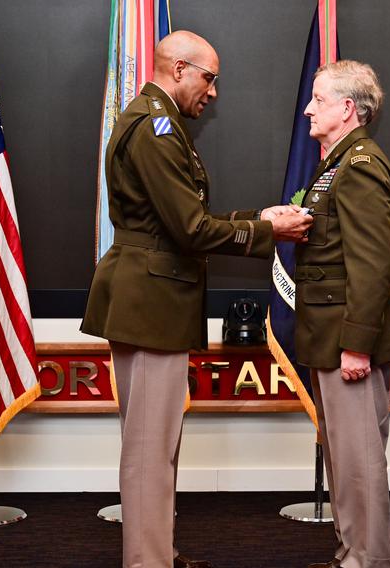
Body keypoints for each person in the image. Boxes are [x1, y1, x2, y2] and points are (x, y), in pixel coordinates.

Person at [81, 30, 312, 568]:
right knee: (148, 451)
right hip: (151, 300)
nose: (213, 92)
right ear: (179, 69)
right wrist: (265, 231)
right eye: (208, 78)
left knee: (156, 446)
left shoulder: (157, 122)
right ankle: (148, 562)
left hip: (148, 297)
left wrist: (259, 222)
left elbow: (180, 224)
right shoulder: (157, 130)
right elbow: (188, 229)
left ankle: (157, 552)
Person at [295, 60, 390, 568]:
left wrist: (357, 344)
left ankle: (367, 562)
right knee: (343, 459)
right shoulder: (338, 162)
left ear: (347, 108)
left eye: (318, 100)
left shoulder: (360, 166)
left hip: (348, 341)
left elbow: (370, 264)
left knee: (359, 464)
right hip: (330, 335)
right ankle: (350, 556)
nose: (308, 108)